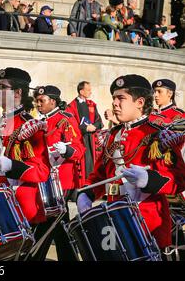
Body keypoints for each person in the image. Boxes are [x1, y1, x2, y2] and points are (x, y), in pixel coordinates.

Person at [76, 74, 185, 255]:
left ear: (140, 102)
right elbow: (101, 174)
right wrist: (87, 193)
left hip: (148, 223)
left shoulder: (156, 135)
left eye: (121, 98)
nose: (115, 104)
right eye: (114, 99)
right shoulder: (113, 135)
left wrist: (149, 179)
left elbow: (180, 178)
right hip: (114, 218)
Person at [0, 68, 51, 244]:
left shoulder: (30, 126)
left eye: (2, 87)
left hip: (21, 203)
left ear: (17, 92)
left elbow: (41, 171)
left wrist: (11, 167)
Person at [31, 85, 85, 261]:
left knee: (50, 220)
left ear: (52, 101)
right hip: (44, 178)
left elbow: (79, 149)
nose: (38, 104)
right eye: (37, 101)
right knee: (59, 223)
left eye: (42, 101)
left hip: (61, 179)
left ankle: (35, 256)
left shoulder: (65, 119)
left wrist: (66, 150)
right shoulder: (40, 121)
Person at [66, 81, 104, 184]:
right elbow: (70, 125)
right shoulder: (71, 107)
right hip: (80, 139)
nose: (90, 92)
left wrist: (94, 126)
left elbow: (99, 122)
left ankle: (92, 186)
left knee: (92, 164)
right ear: (81, 91)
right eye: (88, 90)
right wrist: (85, 129)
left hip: (92, 140)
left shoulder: (92, 104)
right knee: (82, 165)